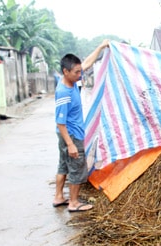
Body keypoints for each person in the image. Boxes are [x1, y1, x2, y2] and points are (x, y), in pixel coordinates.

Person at [52, 39, 109, 212]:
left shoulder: (70, 80)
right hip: (71, 135)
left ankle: (59, 196)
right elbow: (60, 122)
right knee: (76, 169)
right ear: (65, 71)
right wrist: (71, 144)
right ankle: (74, 202)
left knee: (63, 166)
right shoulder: (64, 93)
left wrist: (100, 47)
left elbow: (86, 64)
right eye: (77, 72)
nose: (80, 74)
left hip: (66, 135)